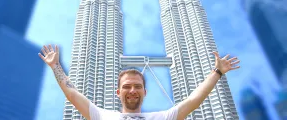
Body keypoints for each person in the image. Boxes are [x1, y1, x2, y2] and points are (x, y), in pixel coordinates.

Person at [38, 44, 240, 120]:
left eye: (137, 86)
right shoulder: (103, 116)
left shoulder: (161, 117)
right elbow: (73, 95)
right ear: (118, 92)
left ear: (145, 92)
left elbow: (193, 100)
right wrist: (56, 66)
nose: (132, 90)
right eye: (127, 86)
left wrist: (217, 72)